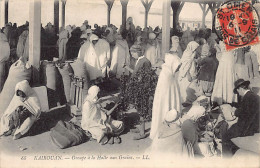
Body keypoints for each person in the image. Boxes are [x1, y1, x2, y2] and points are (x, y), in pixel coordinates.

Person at [222, 79, 260, 157]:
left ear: (241, 89)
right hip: (255, 125)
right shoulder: (255, 96)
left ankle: (227, 160)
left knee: (226, 136)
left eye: (238, 91)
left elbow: (244, 112)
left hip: (248, 127)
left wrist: (234, 112)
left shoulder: (247, 97)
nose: (238, 94)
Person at [150, 53, 182, 140]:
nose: (178, 68)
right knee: (164, 111)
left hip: (167, 102)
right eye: (177, 65)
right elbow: (165, 93)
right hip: (163, 102)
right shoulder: (166, 74)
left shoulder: (169, 73)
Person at [123, 44, 151, 140]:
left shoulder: (145, 62)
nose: (132, 56)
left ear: (137, 52)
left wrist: (140, 88)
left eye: (133, 53)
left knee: (142, 110)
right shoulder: (139, 61)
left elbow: (147, 78)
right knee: (139, 109)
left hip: (142, 89)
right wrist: (127, 68)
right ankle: (140, 128)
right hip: (138, 88)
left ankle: (142, 133)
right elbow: (136, 74)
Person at [211, 41, 236, 105]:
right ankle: (228, 98)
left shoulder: (221, 42)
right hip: (228, 59)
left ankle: (226, 97)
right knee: (227, 76)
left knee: (226, 77)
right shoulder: (232, 41)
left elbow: (218, 53)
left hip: (225, 59)